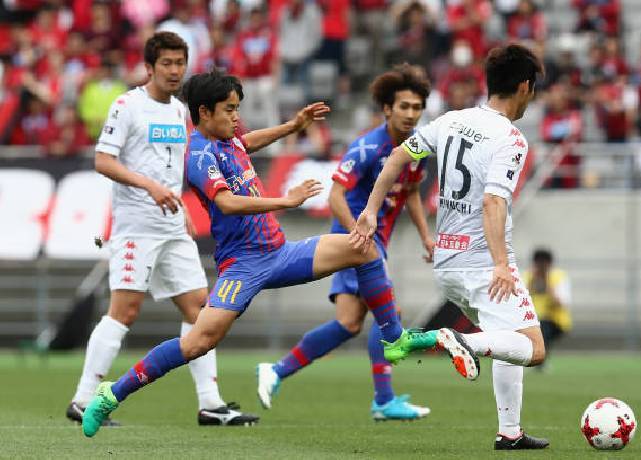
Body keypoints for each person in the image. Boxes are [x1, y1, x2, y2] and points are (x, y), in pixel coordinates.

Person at [79, 69, 439, 438]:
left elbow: (246, 142)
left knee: (364, 249)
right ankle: (111, 393)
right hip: (243, 266)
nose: (236, 118)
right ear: (204, 113)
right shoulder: (199, 154)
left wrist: (292, 126)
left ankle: (394, 338)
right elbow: (228, 202)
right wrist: (286, 199)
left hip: (280, 252)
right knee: (198, 342)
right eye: (229, 110)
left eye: (237, 108)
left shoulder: (228, 139)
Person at [350, 44, 550, 450]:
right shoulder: (511, 139)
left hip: (447, 261)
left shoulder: (453, 120)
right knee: (532, 347)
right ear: (525, 87)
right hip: (482, 262)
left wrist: (371, 210)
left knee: (506, 336)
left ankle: (509, 432)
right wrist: (500, 265)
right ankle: (459, 341)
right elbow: (494, 201)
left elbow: (395, 159)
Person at [66, 32, 258, 428]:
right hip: (136, 225)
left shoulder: (178, 111)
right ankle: (84, 399)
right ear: (149, 67)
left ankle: (210, 403)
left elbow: (175, 164)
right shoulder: (128, 106)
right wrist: (150, 186)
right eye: (167, 63)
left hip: (172, 224)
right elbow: (103, 161)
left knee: (200, 309)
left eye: (180, 63)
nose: (175, 71)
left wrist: (181, 203)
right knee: (125, 310)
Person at [256, 64, 435, 420]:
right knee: (391, 317)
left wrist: (426, 237)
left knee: (349, 323)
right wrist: (358, 233)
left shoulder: (416, 149)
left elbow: (411, 191)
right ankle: (384, 400)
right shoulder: (367, 146)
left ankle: (276, 370)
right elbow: (336, 195)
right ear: (387, 109)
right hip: (356, 241)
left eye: (417, 107)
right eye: (404, 107)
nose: (411, 114)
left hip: (370, 242)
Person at [524, 248, 572, 367]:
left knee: (543, 326)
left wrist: (547, 283)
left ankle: (539, 360)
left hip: (556, 321)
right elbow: (520, 298)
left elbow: (562, 303)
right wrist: (532, 282)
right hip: (530, 321)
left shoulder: (559, 277)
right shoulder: (527, 276)